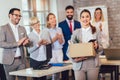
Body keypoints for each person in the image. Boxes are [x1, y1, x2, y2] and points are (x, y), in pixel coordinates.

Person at [68, 9, 103, 80]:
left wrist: (97, 46)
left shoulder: (96, 31)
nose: (85, 19)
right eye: (83, 17)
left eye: (87, 16)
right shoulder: (75, 32)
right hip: (79, 64)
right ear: (80, 19)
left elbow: (101, 47)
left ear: (90, 18)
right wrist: (75, 59)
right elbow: (70, 50)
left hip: (92, 63)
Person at [0, 8, 30, 80]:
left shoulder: (22, 28)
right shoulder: (3, 28)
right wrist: (17, 43)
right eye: (16, 15)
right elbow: (1, 43)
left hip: (21, 61)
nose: (18, 17)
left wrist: (27, 43)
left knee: (23, 79)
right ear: (10, 15)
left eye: (20, 16)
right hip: (9, 61)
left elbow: (27, 43)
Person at [59, 5, 81, 80]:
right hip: (65, 51)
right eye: (68, 12)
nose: (69, 14)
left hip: (77, 52)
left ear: (73, 13)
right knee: (65, 73)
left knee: (76, 72)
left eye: (71, 12)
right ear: (65, 13)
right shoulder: (60, 25)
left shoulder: (78, 24)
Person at [47, 13, 64, 80]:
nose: (53, 19)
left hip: (60, 52)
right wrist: (56, 37)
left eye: (54, 17)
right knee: (53, 71)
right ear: (48, 21)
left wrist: (59, 38)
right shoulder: (47, 30)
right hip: (52, 52)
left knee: (58, 71)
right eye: (51, 18)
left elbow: (62, 42)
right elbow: (48, 43)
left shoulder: (59, 29)